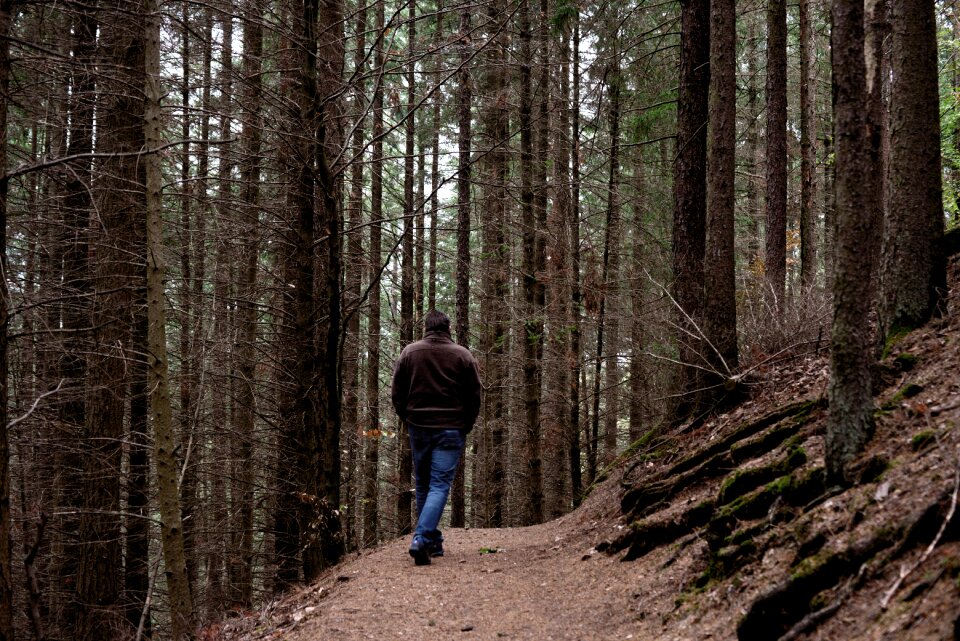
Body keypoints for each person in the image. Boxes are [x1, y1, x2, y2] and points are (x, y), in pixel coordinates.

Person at [391, 310, 482, 565]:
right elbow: (475, 396)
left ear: (426, 328)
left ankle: (432, 542)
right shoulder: (463, 355)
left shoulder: (410, 353)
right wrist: (466, 423)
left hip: (419, 427)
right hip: (451, 428)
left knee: (423, 484)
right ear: (448, 328)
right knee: (439, 485)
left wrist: (407, 418)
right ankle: (422, 538)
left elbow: (396, 393)